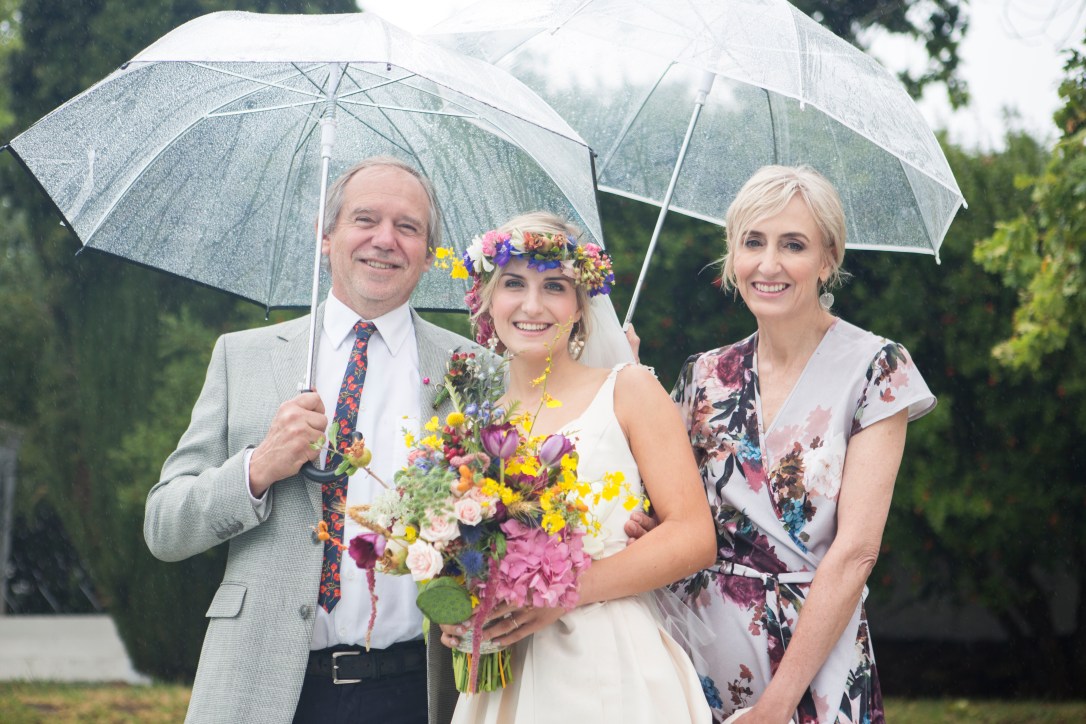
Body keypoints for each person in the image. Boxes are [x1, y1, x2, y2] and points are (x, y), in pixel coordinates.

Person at [144, 157, 480, 724]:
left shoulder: (472, 371)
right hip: (264, 687)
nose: (384, 240)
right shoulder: (243, 357)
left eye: (408, 227)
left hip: (416, 693)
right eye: (365, 219)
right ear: (326, 239)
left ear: (427, 254)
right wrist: (256, 469)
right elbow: (164, 527)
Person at [628, 165, 936, 724]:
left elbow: (855, 554)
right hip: (692, 652)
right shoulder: (703, 375)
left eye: (792, 244)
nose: (768, 264)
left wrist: (776, 706)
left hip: (813, 665)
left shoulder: (876, 369)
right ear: (732, 257)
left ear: (828, 259)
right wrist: (619, 371)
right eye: (753, 242)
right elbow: (667, 512)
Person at [439, 212, 717, 723]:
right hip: (508, 671)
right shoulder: (476, 421)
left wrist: (561, 595)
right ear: (487, 299)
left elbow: (694, 536)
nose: (532, 304)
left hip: (609, 660)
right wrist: (458, 612)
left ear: (580, 304)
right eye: (514, 284)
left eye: (554, 286)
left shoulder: (628, 390)